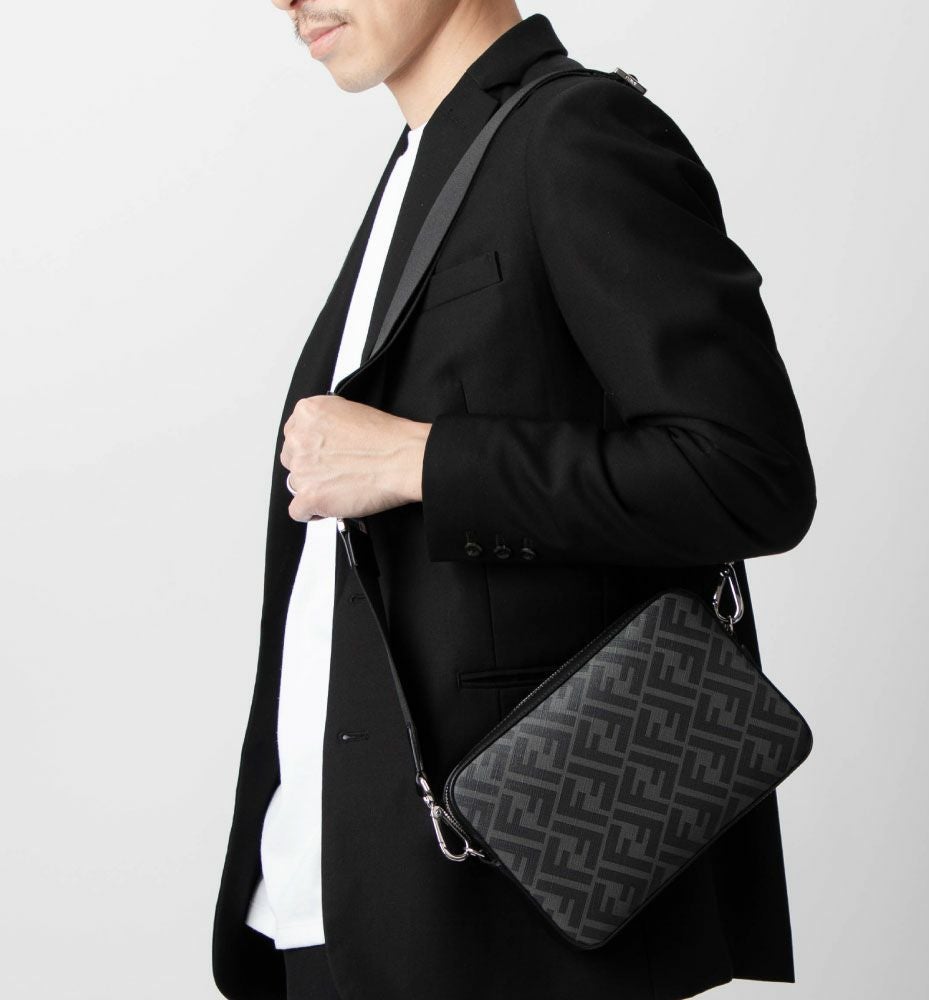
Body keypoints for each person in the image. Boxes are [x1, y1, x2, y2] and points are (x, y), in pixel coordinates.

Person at [212, 3, 818, 999]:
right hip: (339, 901)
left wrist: (423, 462)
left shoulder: (577, 133)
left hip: (506, 916)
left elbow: (746, 473)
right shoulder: (428, 162)